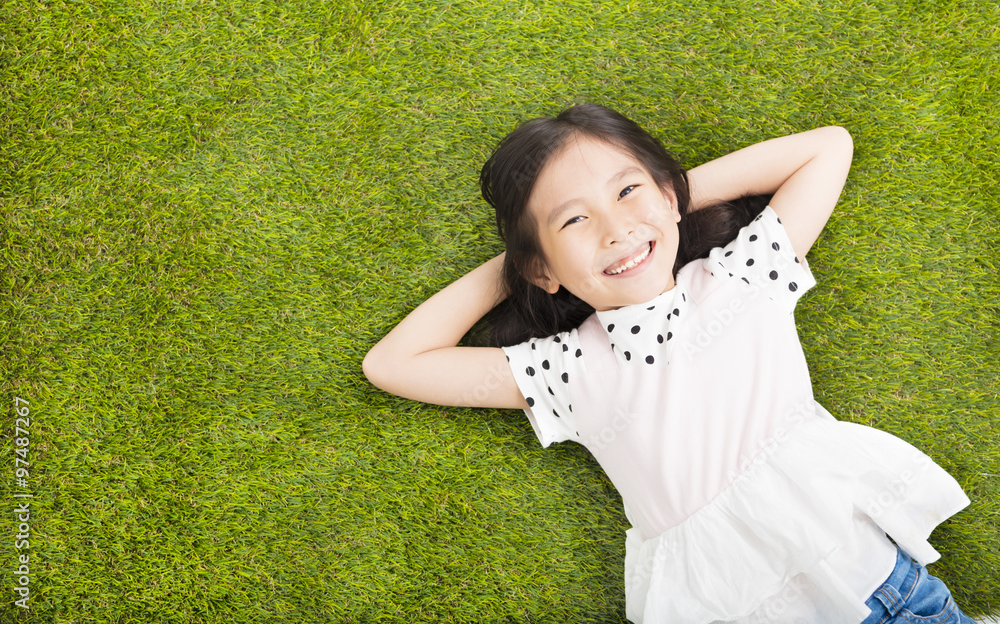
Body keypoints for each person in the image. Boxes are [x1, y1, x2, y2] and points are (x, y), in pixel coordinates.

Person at [362, 103, 975, 623]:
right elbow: (393, 364)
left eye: (627, 191)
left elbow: (826, 149)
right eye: (574, 220)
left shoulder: (741, 277)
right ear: (541, 268)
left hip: (885, 594)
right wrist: (516, 268)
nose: (615, 229)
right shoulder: (570, 371)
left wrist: (665, 201)